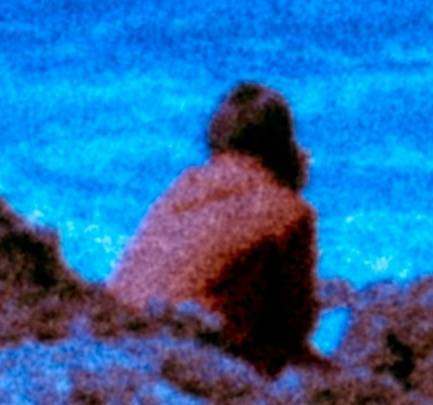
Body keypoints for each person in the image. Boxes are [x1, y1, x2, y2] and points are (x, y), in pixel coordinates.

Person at [108, 81, 321, 370]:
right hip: (193, 355)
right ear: (283, 143)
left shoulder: (185, 185)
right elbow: (295, 328)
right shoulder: (289, 210)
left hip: (115, 335)